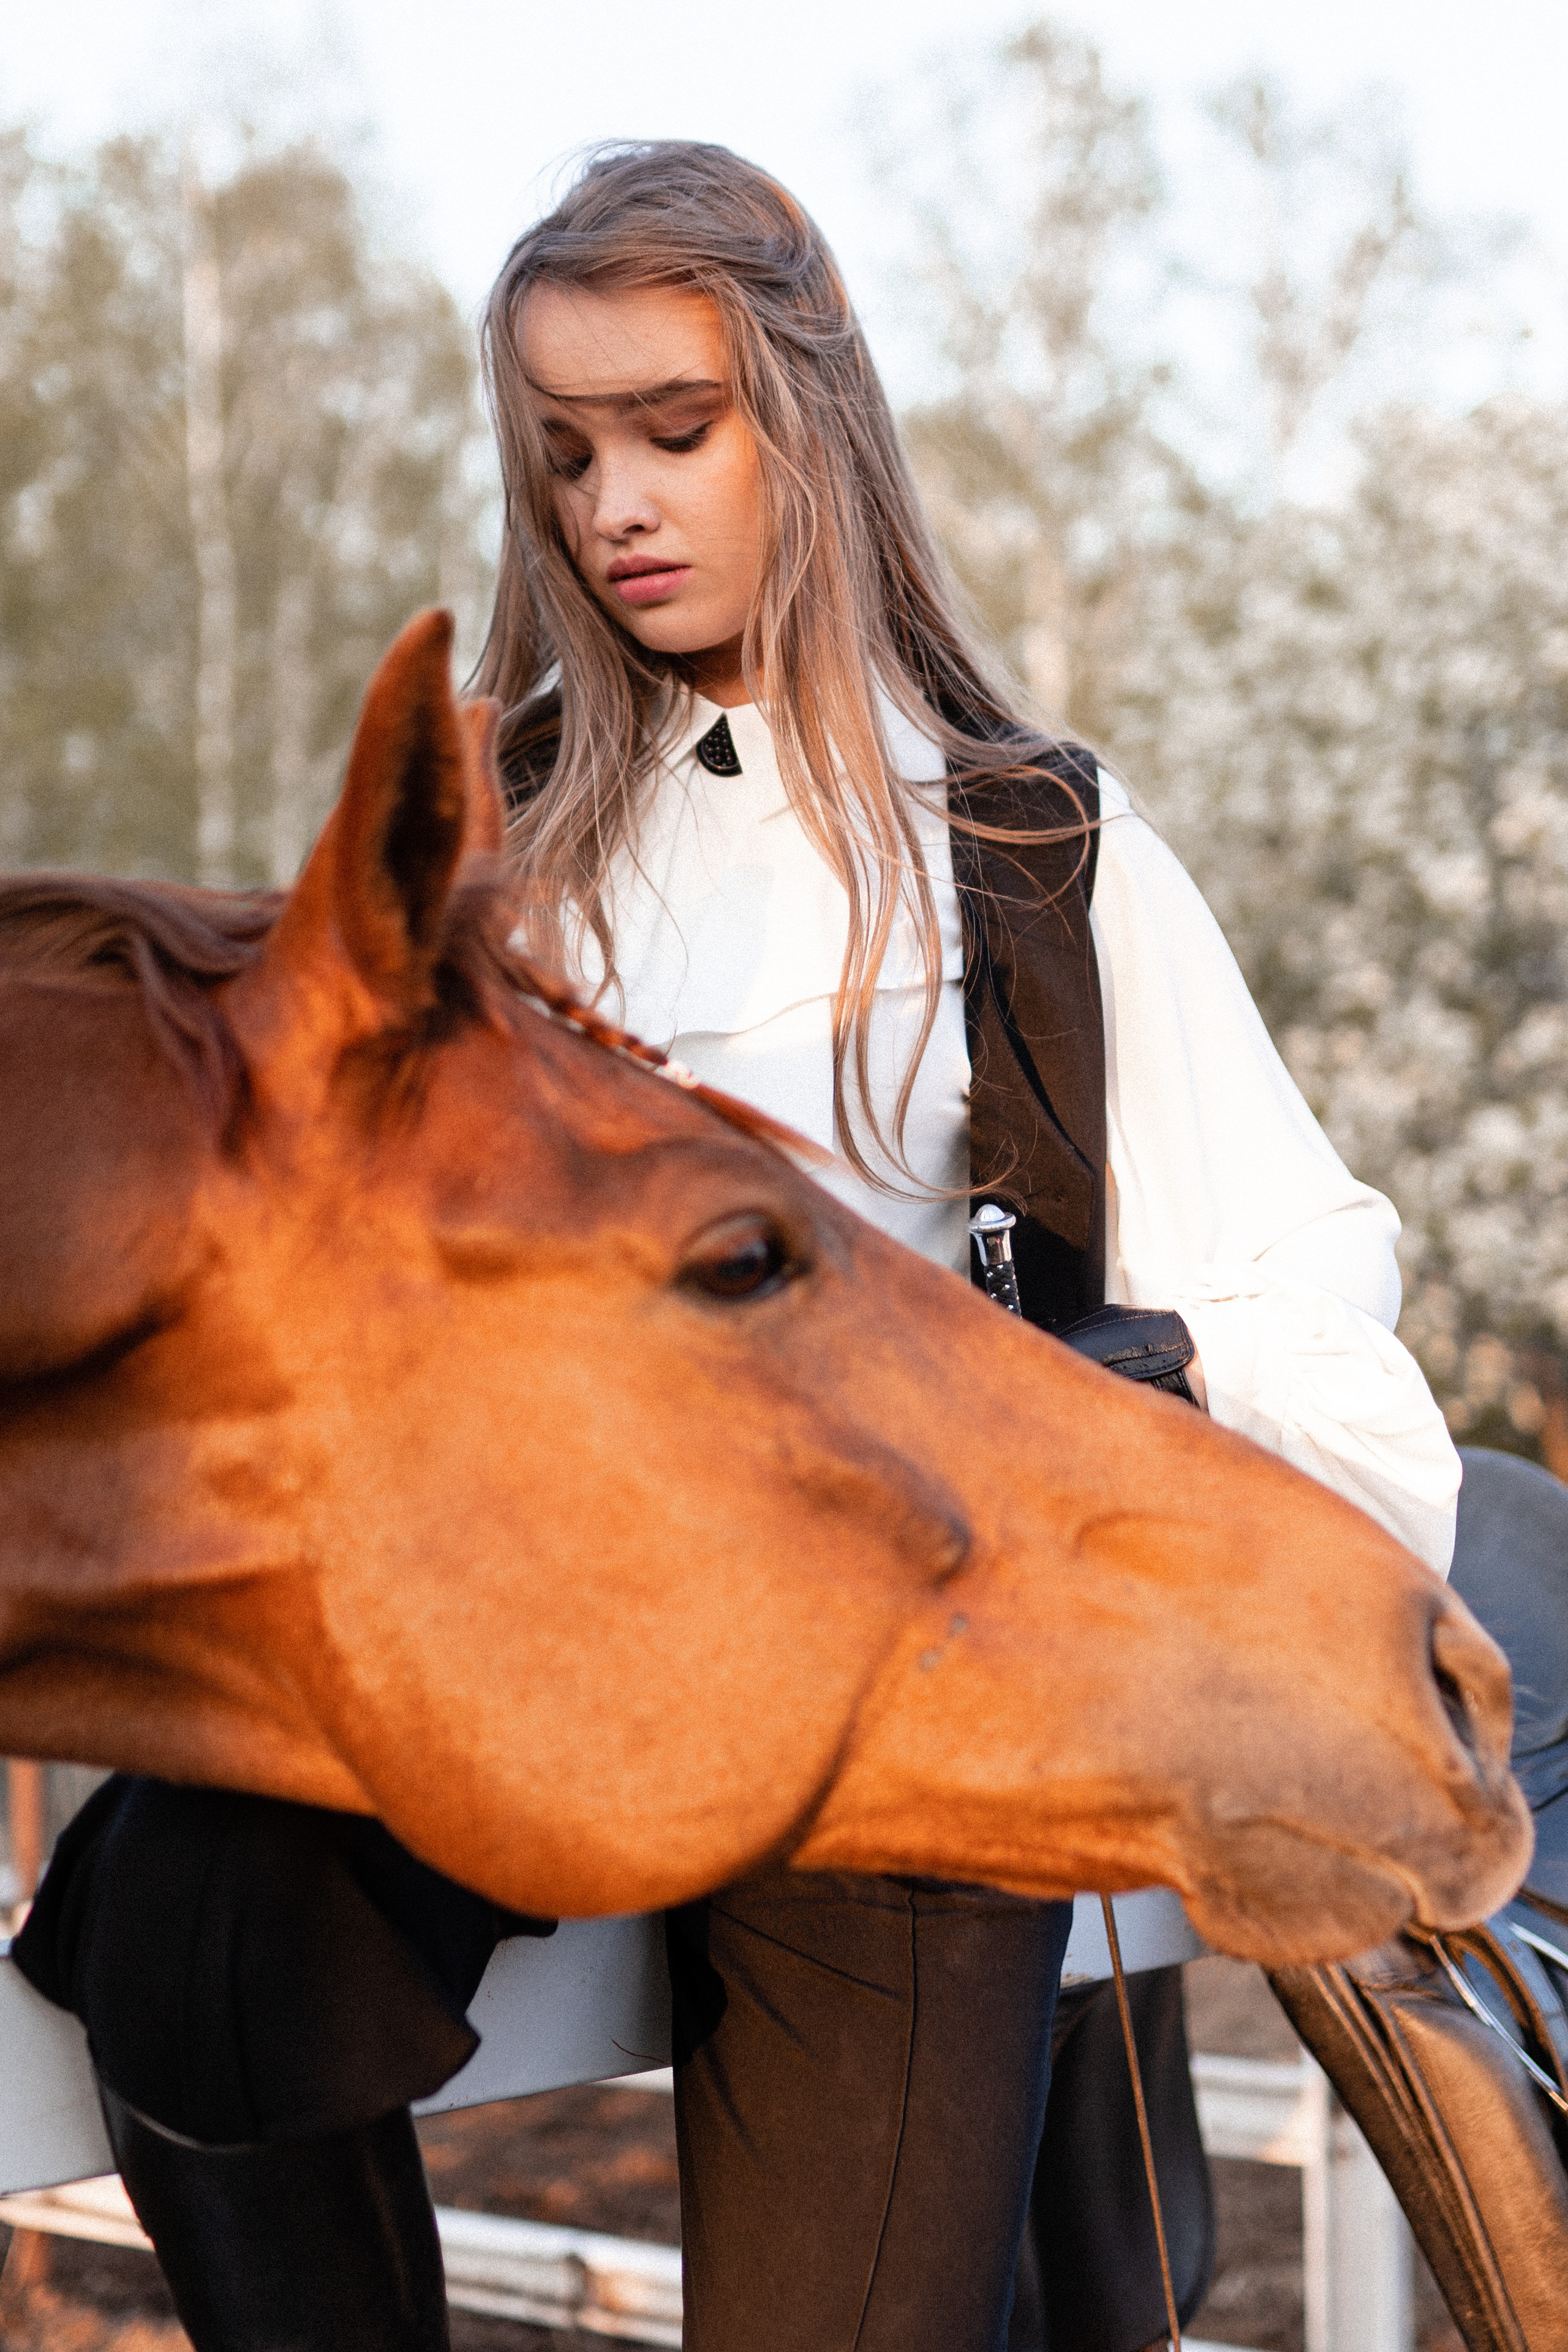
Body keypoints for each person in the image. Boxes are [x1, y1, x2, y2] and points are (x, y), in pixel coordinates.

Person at [13, 141, 1460, 2352]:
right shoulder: (477, 861)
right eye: (564, 452)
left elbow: (1297, 1297)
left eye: (674, 431)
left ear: (816, 423)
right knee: (184, 1911)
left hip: (893, 1672)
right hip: (510, 1627)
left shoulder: (1032, 846)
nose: (616, 503)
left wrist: (1107, 1435)